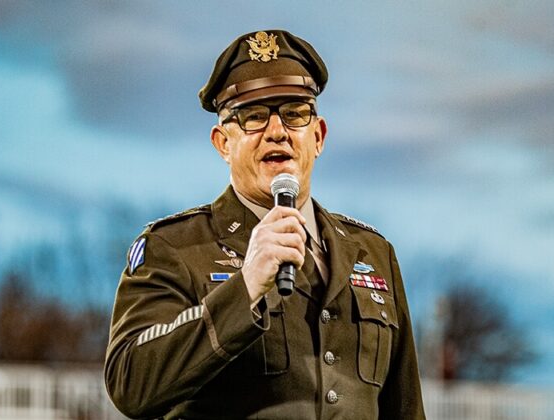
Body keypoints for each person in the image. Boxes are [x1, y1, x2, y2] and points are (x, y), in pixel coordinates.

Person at [104, 30, 425, 419]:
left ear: (318, 136)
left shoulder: (373, 254)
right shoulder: (173, 248)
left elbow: (405, 409)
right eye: (254, 117)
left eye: (295, 113)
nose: (278, 131)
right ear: (223, 143)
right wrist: (246, 288)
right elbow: (129, 384)